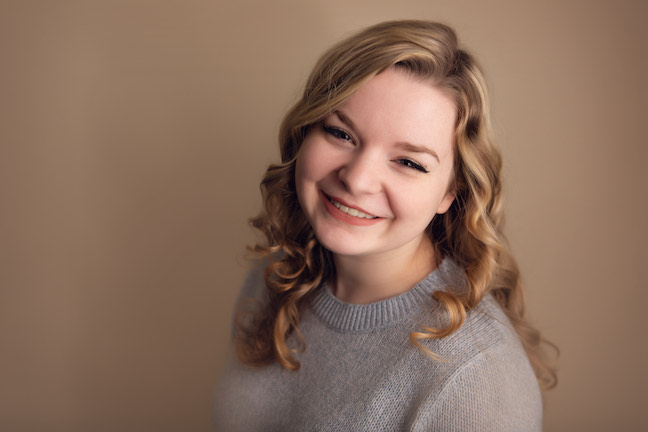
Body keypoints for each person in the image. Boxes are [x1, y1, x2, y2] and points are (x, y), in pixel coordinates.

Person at [212, 20, 557, 431]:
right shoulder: (278, 268)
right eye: (340, 133)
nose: (357, 179)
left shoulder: (476, 382)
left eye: (409, 162)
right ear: (305, 133)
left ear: (451, 193)